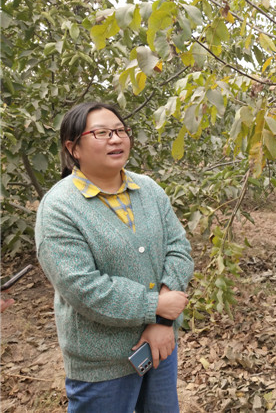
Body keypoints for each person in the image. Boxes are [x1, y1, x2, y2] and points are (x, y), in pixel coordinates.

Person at [35, 102, 194, 412]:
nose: (116, 139)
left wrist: (162, 321)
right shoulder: (59, 208)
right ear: (74, 148)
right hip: (102, 364)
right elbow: (83, 288)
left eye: (121, 130)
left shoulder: (148, 190)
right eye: (102, 132)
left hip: (160, 347)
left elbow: (178, 249)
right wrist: (155, 305)